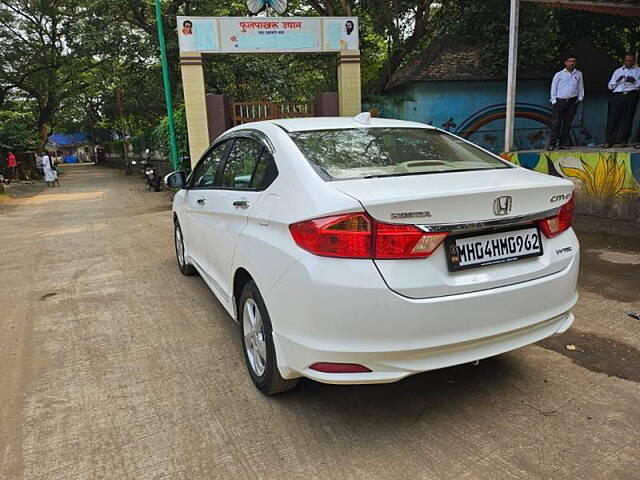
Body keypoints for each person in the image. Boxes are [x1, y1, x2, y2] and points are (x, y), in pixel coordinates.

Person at [548, 54, 584, 151]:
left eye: (573, 61)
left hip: (572, 101)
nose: (571, 63)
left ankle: (562, 143)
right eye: (570, 61)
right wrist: (554, 100)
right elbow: (553, 87)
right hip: (560, 101)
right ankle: (552, 144)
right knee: (556, 123)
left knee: (567, 123)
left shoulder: (578, 74)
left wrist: (580, 98)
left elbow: (580, 87)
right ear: (565, 62)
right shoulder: (559, 74)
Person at [604, 53, 640, 148]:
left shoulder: (638, 71)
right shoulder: (618, 71)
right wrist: (617, 81)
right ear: (624, 61)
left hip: (631, 94)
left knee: (628, 118)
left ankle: (623, 140)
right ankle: (609, 140)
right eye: (627, 61)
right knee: (613, 118)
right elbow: (610, 86)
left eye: (631, 61)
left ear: (634, 61)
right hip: (618, 95)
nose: (629, 62)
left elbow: (639, 85)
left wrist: (634, 81)